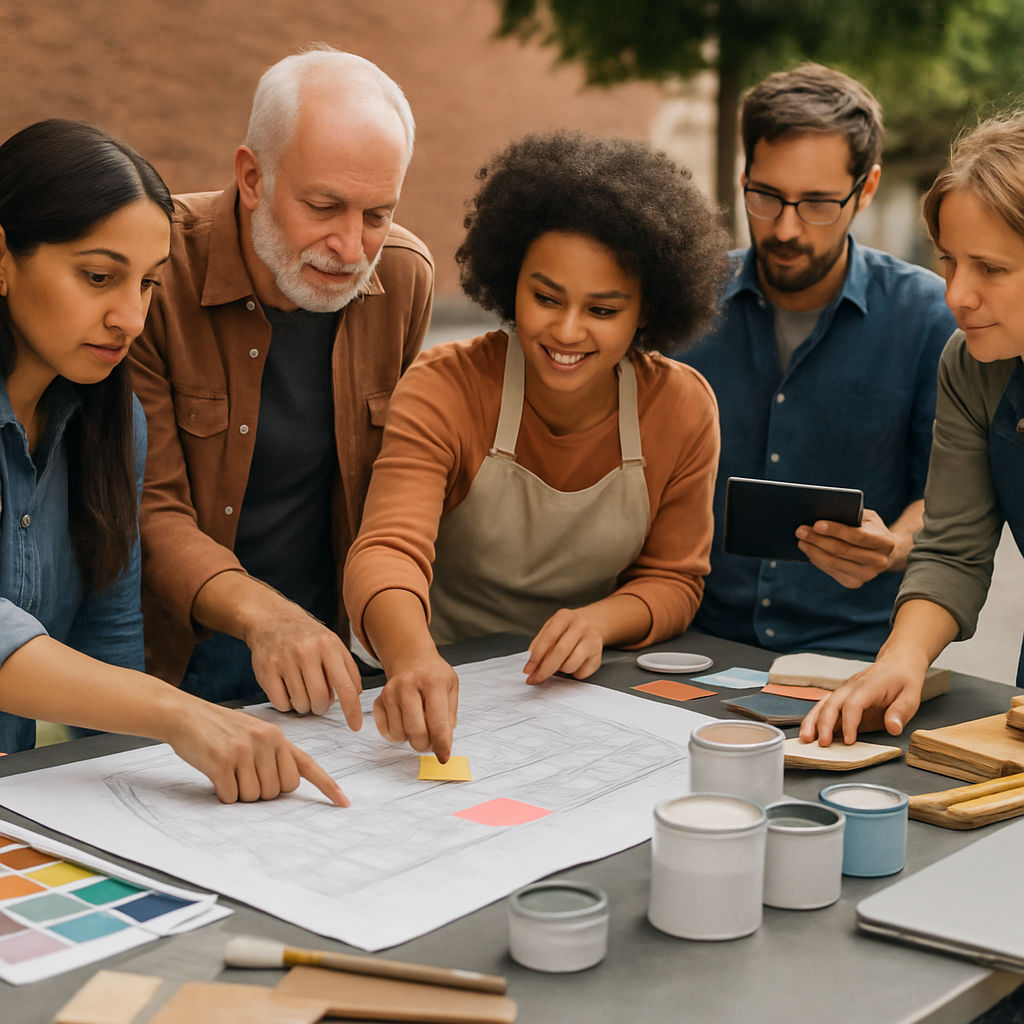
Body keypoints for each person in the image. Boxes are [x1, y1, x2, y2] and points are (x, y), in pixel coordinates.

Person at [344, 131, 728, 761]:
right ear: (510, 280)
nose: (567, 331)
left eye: (602, 310)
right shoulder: (446, 387)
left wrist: (599, 622)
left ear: (645, 312)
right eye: (545, 298)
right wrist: (412, 657)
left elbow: (673, 580)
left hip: (570, 695)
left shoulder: (681, 408)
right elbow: (386, 550)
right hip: (431, 683)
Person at [0, 119, 346, 806]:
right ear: (4, 259)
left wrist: (149, 803)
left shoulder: (113, 422)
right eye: (98, 276)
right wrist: (178, 713)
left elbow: (111, 639)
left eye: (149, 285)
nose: (130, 317)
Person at [130, 46, 434, 726]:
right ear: (250, 176)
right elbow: (148, 509)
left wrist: (400, 641)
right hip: (172, 656)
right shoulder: (156, 269)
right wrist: (265, 616)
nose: (352, 248)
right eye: (324, 206)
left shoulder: (405, 279)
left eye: (377, 215)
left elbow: (397, 491)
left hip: (331, 649)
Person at [679, 64, 956, 657]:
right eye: (766, 196)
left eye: (818, 205)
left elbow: (950, 499)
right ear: (744, 173)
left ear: (869, 187)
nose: (785, 228)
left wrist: (896, 546)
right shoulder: (684, 300)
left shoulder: (930, 316)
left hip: (850, 656)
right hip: (689, 640)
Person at [802, 110, 1024, 746]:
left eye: (992, 268)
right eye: (952, 261)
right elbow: (953, 548)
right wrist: (900, 660)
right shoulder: (970, 362)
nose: (957, 294)